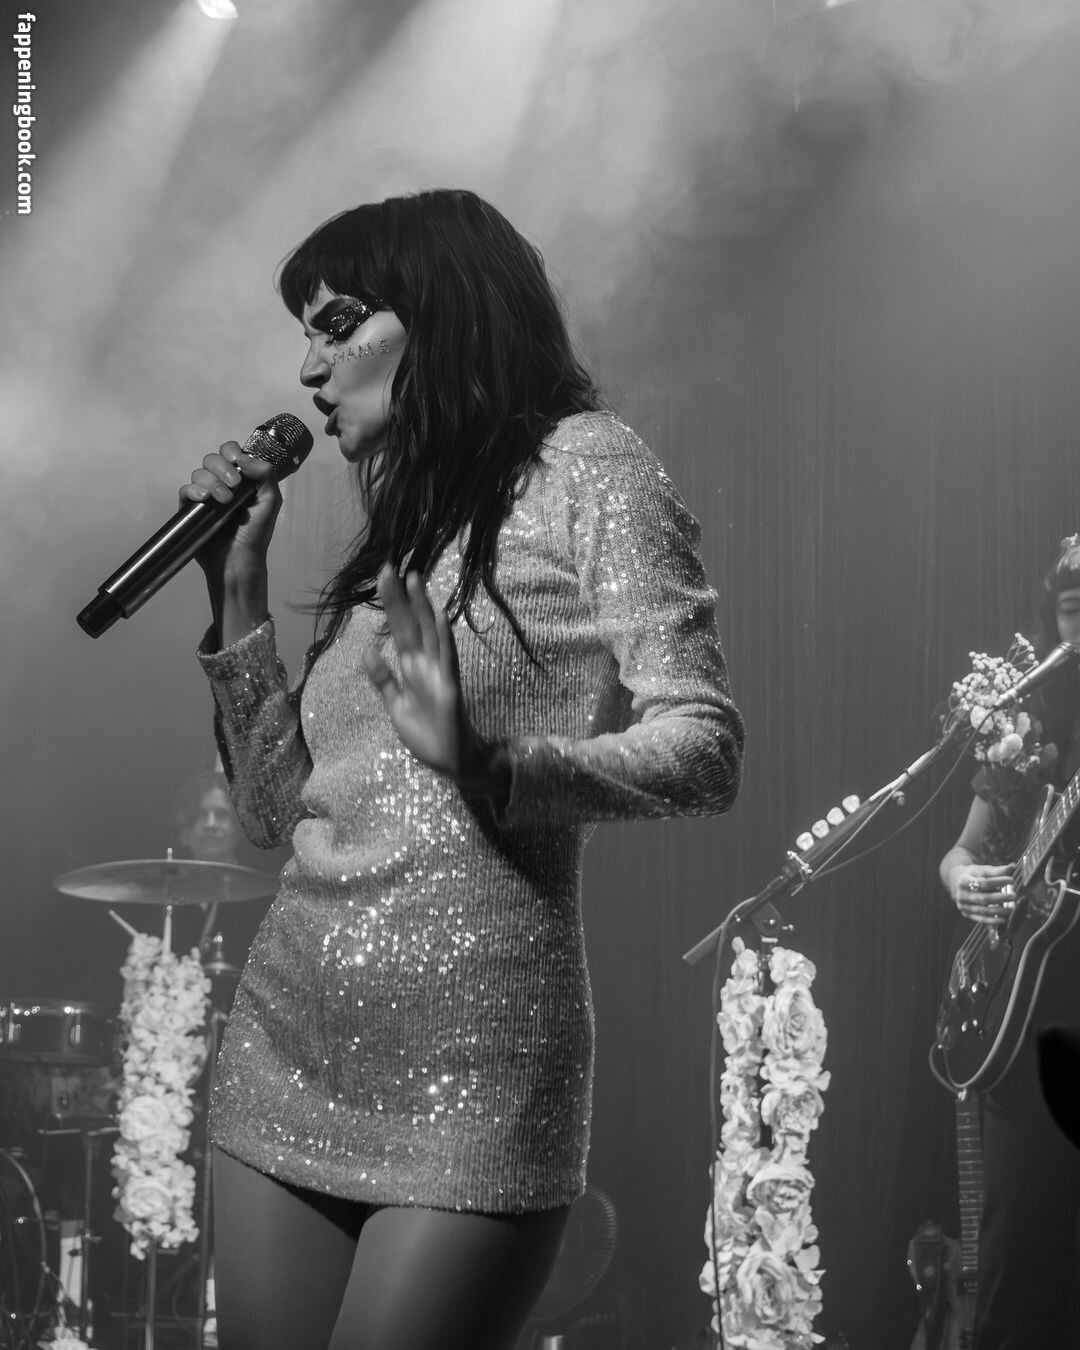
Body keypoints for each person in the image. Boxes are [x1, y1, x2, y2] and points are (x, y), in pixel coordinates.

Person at [180, 188, 745, 1350]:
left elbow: (705, 747)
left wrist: (486, 763)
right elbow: (274, 809)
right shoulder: (408, 526)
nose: (308, 368)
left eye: (337, 326)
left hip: (474, 1070)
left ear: (439, 314)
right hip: (286, 1041)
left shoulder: (590, 465)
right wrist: (236, 590)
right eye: (306, 336)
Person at [939, 535, 1080, 1349]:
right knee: (1017, 1263)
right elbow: (959, 852)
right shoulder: (1029, 725)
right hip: (1027, 1022)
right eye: (1071, 611)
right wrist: (964, 881)